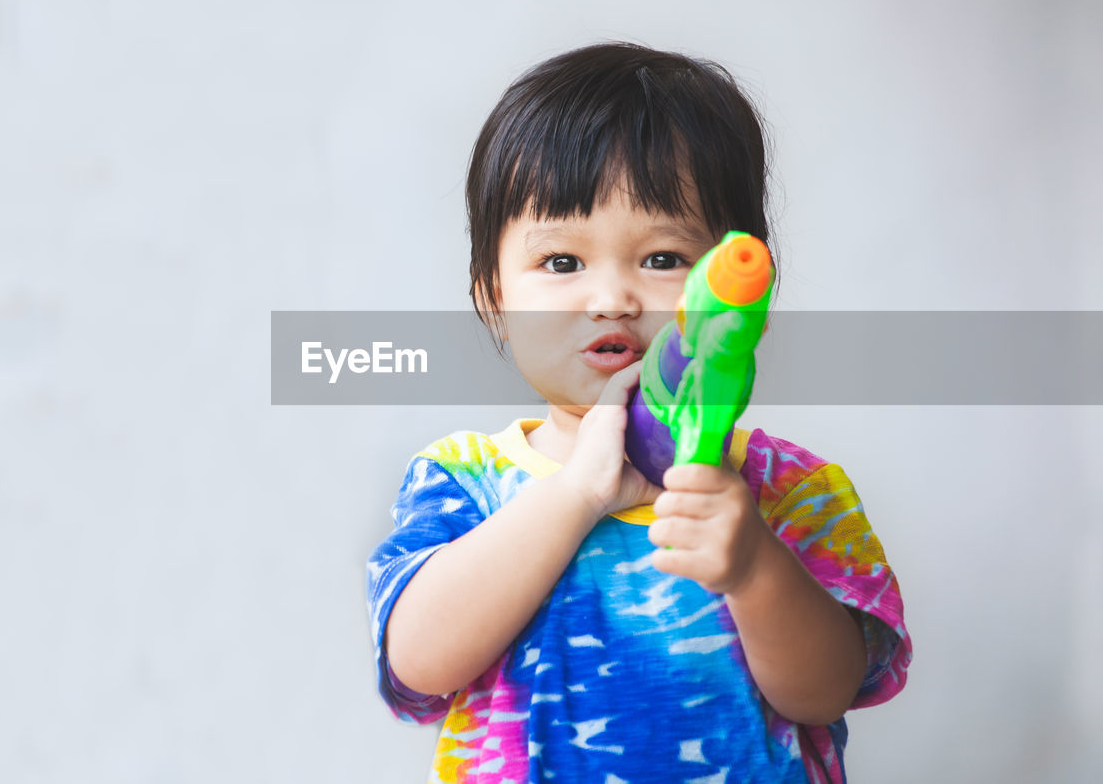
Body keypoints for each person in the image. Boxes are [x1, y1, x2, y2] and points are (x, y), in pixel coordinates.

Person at [365, 42, 911, 783]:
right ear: (492, 299)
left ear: (741, 299)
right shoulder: (462, 480)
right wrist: (576, 492)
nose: (613, 297)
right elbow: (419, 662)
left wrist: (752, 563)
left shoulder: (789, 489)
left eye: (662, 258)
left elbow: (823, 692)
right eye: (562, 262)